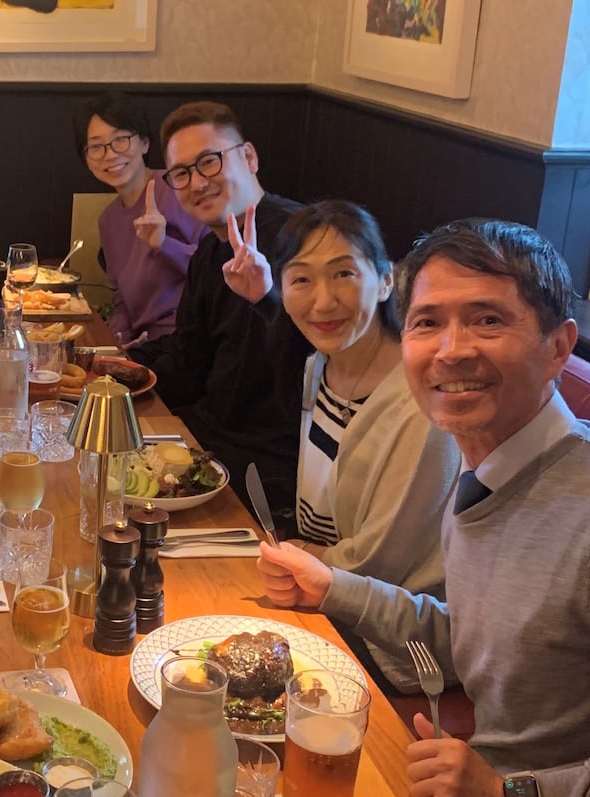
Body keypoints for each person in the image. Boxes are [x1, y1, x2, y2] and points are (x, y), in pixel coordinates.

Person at [256, 218, 590, 797]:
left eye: (488, 319)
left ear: (560, 346)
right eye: (429, 322)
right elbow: (483, 632)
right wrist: (333, 588)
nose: (452, 349)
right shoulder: (487, 462)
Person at [230, 199, 459, 689]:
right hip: (324, 592)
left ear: (385, 281)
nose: (323, 302)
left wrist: (299, 554)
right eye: (301, 279)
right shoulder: (318, 367)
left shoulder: (421, 405)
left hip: (397, 641)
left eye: (343, 274)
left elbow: (381, 565)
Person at [128, 101, 309, 524]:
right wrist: (119, 369)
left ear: (249, 157)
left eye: (209, 162)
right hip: (209, 437)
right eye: (181, 173)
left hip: (270, 466)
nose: (197, 183)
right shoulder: (211, 250)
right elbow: (188, 360)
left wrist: (266, 297)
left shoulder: (305, 239)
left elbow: (319, 362)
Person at [73, 91, 208, 348]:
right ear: (87, 159)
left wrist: (164, 244)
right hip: (144, 345)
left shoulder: (178, 188)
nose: (110, 154)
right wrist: (118, 338)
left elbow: (213, 273)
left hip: (189, 340)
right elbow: (122, 300)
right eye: (96, 146)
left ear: (144, 143)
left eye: (120, 140)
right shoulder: (108, 220)